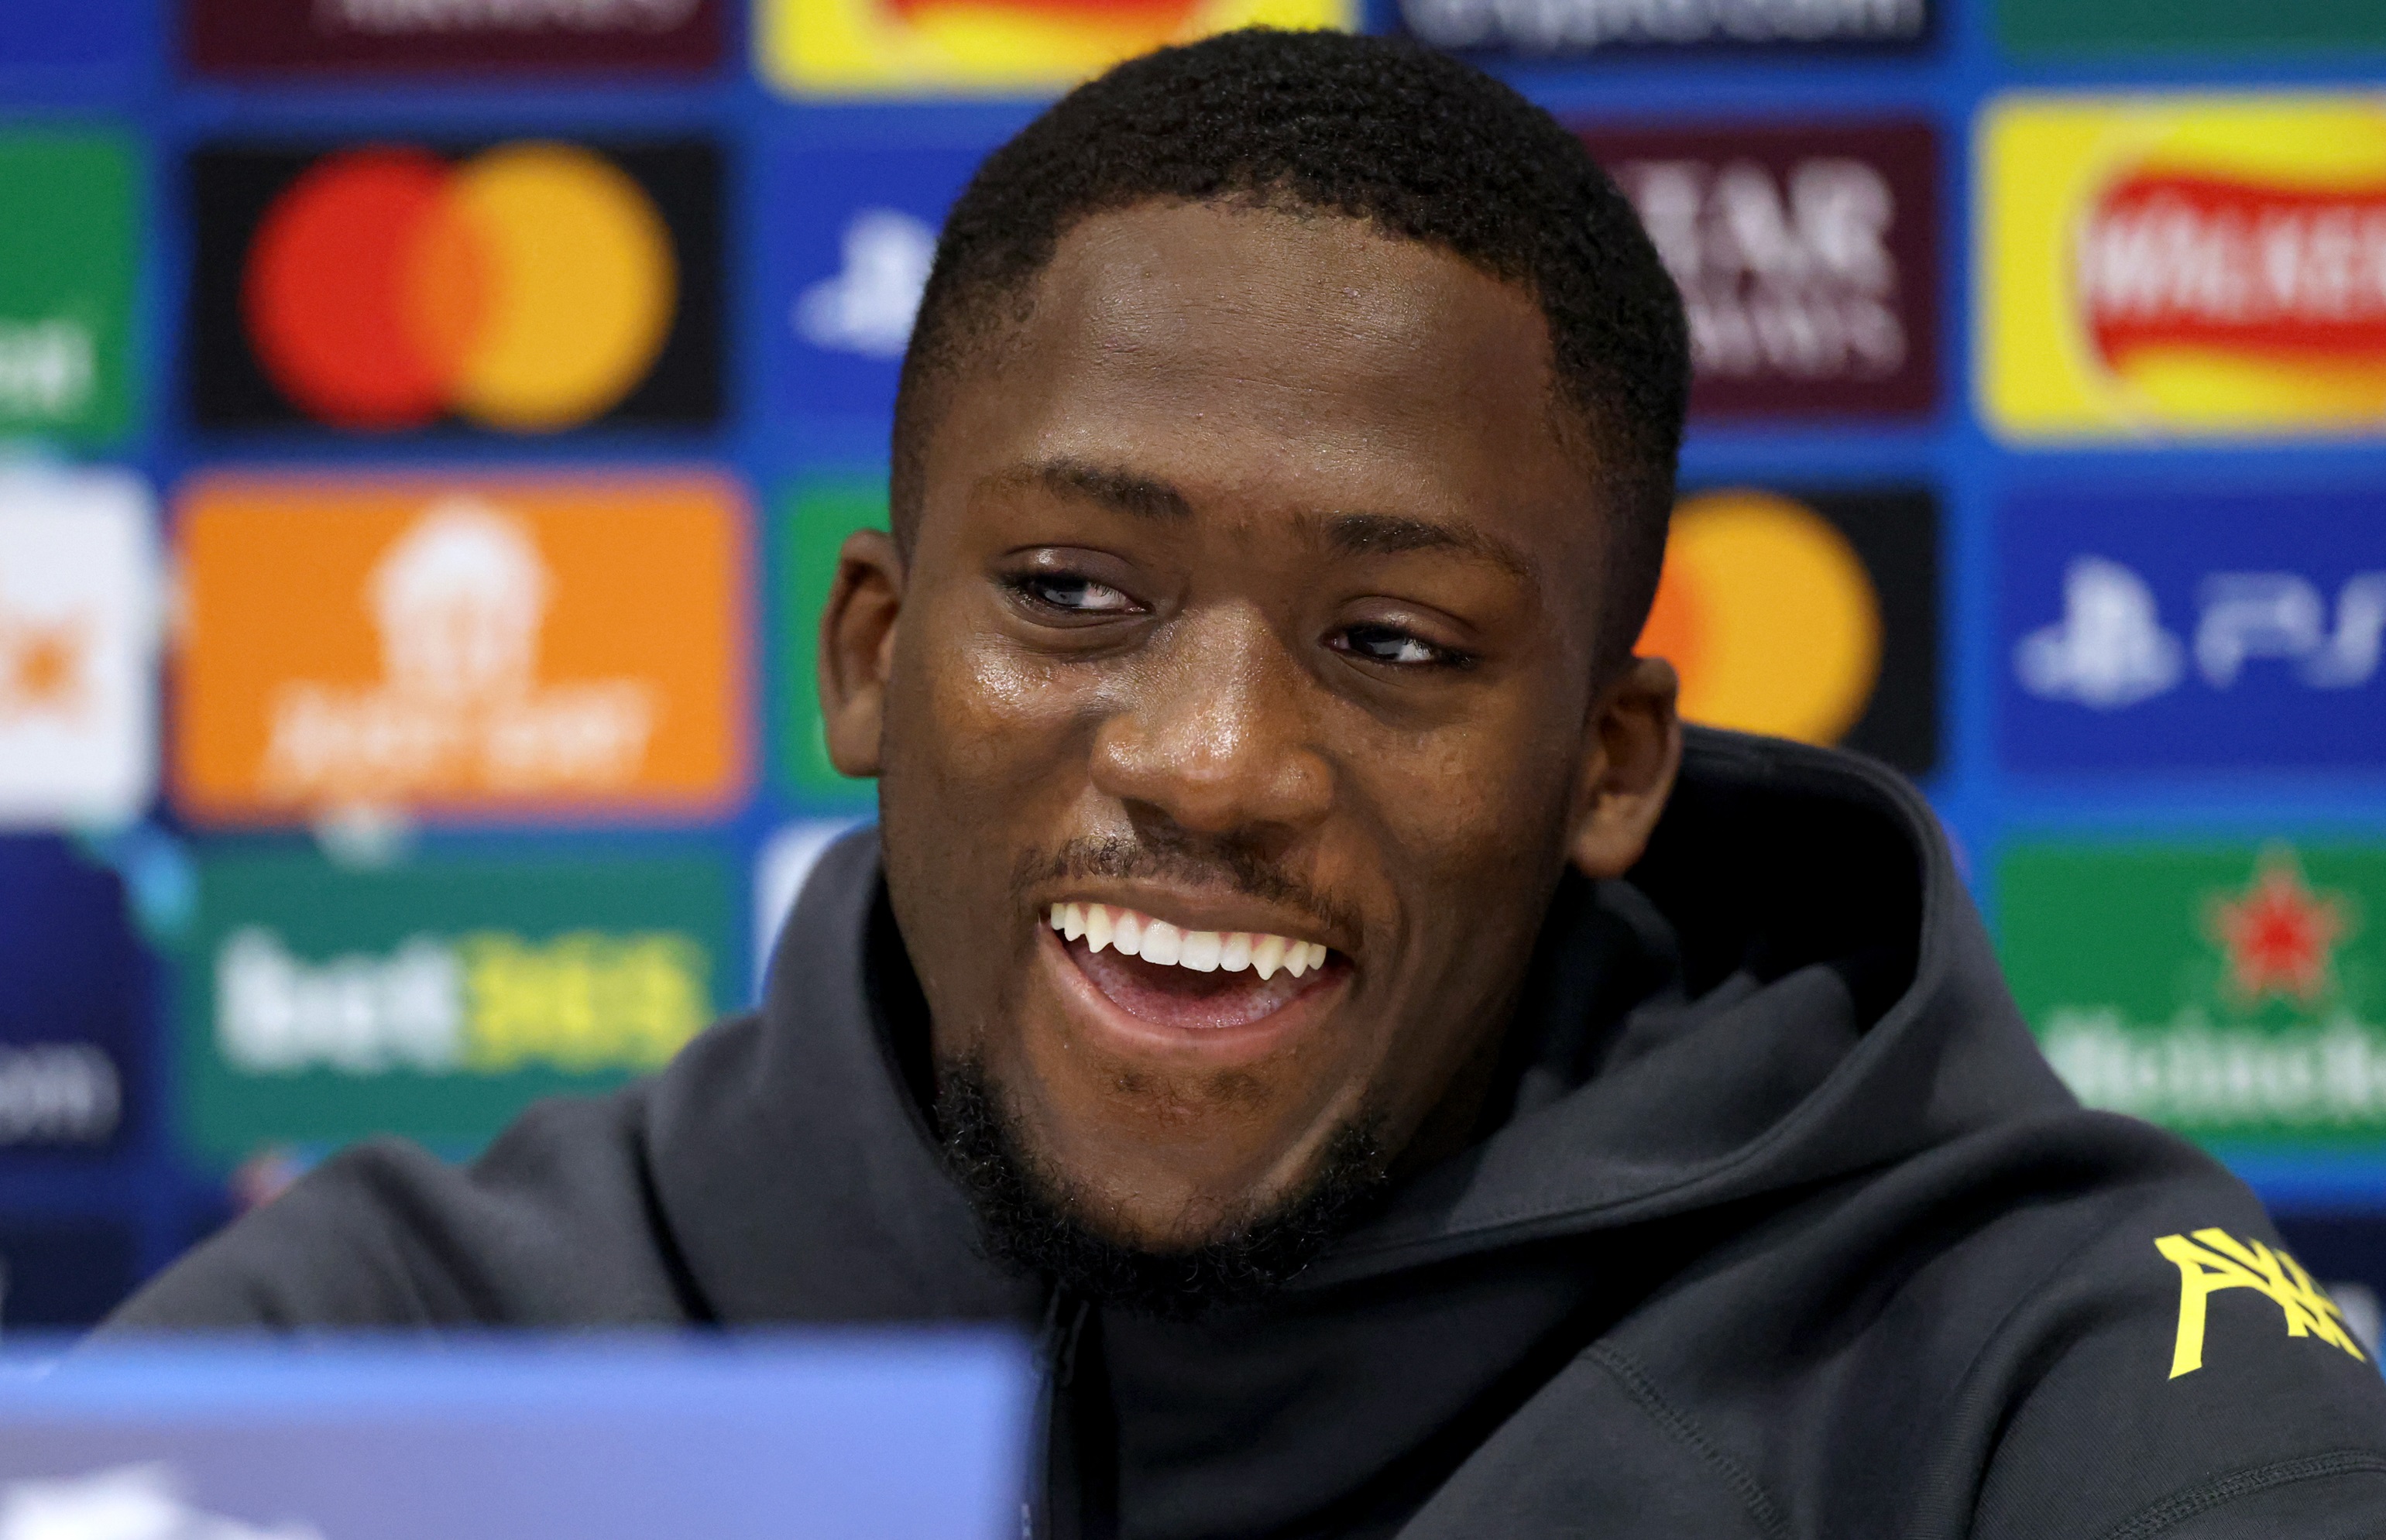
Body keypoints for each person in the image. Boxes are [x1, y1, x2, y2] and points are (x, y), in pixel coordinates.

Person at [108, 29, 2386, 1538]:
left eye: (1393, 645)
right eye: (1079, 597)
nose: (1210, 762)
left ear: (1604, 769)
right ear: (875, 660)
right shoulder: (401, 1371)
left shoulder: (2016, 1366)